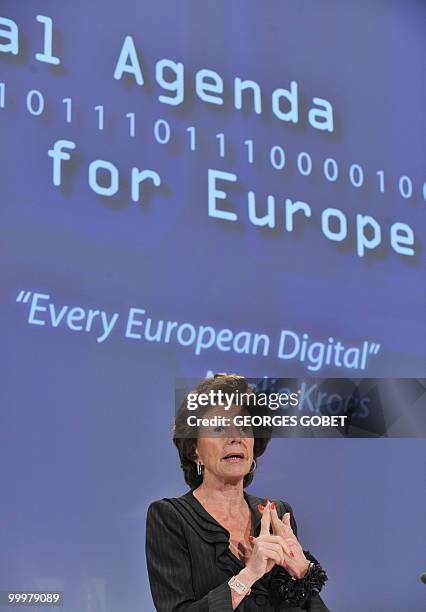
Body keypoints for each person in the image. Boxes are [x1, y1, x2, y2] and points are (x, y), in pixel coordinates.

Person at [146, 374, 329, 611]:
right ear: (194, 450)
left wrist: (302, 571)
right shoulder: (170, 517)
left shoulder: (277, 515)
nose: (236, 438)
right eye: (219, 427)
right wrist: (248, 575)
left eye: (244, 427)